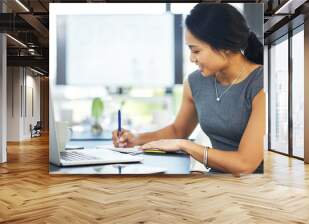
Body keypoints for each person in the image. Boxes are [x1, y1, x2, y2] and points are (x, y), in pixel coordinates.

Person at [112, 3, 265, 176]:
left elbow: (244, 165)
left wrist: (184, 145)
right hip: (217, 181)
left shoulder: (261, 83)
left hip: (258, 189)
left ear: (225, 47)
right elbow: (178, 131)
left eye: (196, 50)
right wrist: (136, 139)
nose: (192, 58)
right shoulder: (195, 82)